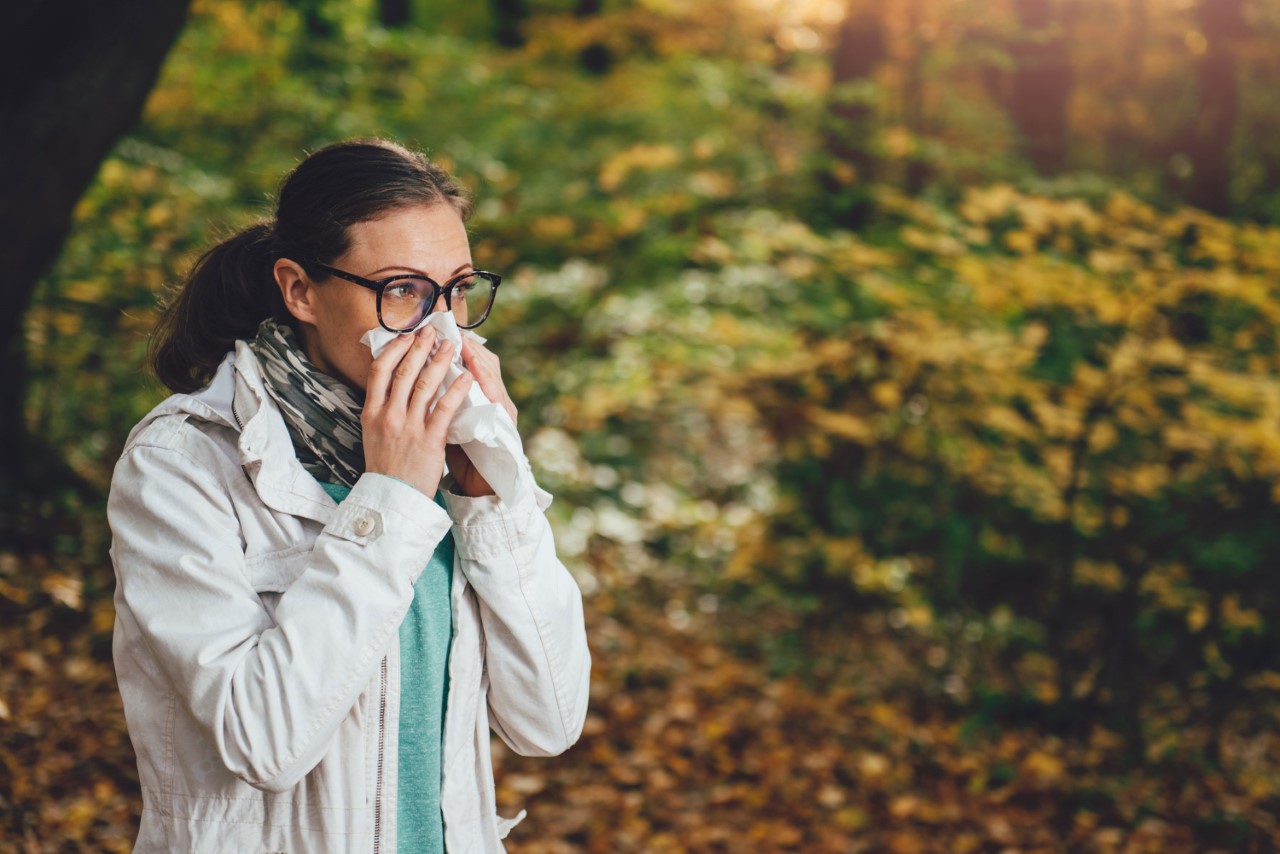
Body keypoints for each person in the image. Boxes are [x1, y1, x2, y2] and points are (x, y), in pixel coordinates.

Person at [107, 138, 591, 853]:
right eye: (403, 291)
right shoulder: (184, 460)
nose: (441, 331)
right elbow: (262, 743)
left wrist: (493, 499)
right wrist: (391, 494)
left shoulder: (457, 456)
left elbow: (548, 721)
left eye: (457, 289)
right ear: (300, 290)